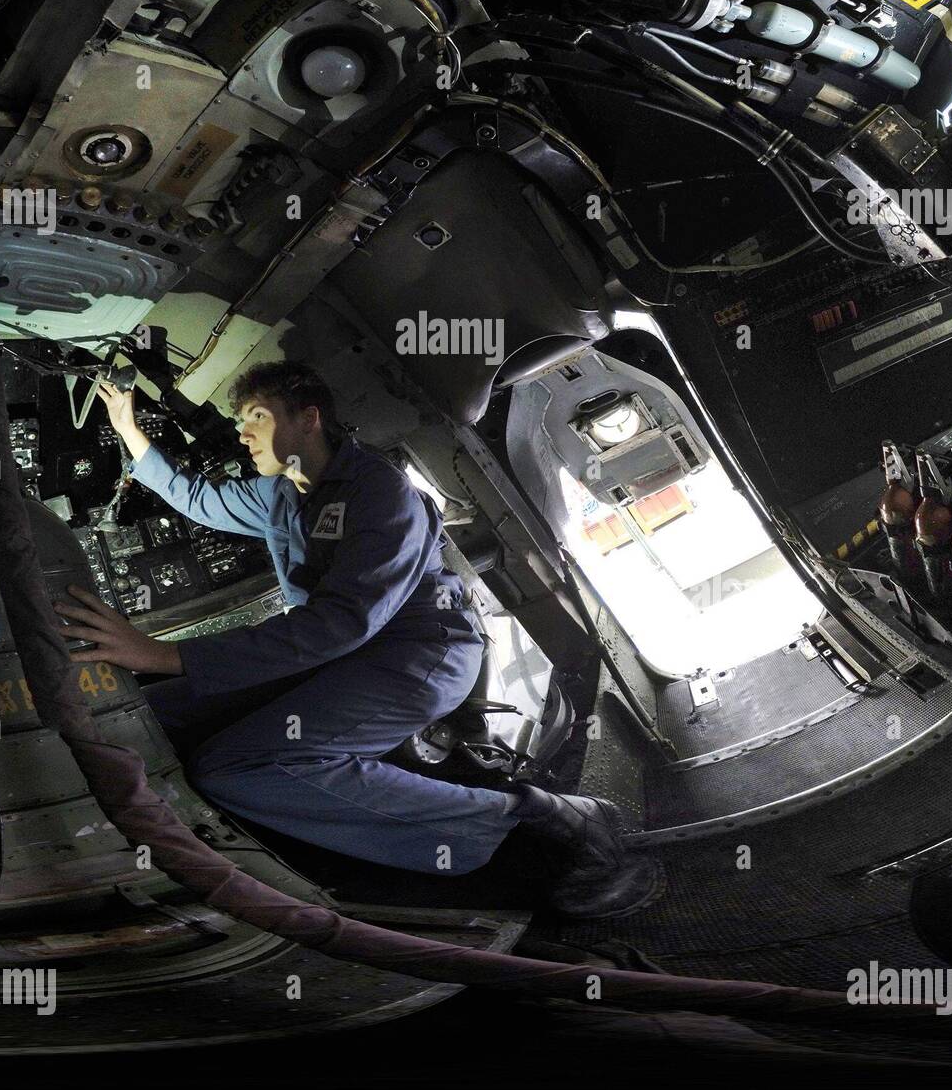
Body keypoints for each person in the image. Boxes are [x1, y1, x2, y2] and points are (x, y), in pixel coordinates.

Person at [56, 360, 662, 918]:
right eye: (242, 422)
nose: (243, 434)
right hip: (339, 655)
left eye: (257, 418)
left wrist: (163, 654)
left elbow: (342, 621)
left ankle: (540, 820)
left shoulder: (381, 492)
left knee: (237, 765)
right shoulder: (279, 492)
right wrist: (128, 430)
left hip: (419, 653)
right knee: (145, 714)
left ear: (309, 418)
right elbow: (201, 500)